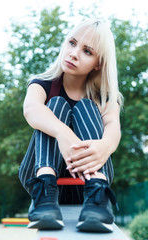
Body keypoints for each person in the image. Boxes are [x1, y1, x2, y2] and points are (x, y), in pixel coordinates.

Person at [19, 19, 123, 233]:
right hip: (42, 179)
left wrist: (106, 145)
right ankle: (45, 191)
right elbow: (31, 110)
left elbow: (113, 126)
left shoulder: (105, 97)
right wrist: (63, 133)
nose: (74, 53)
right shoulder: (42, 84)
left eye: (87, 51)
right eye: (72, 43)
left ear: (98, 63)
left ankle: (97, 197)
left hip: (88, 182)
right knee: (54, 105)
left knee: (87, 106)